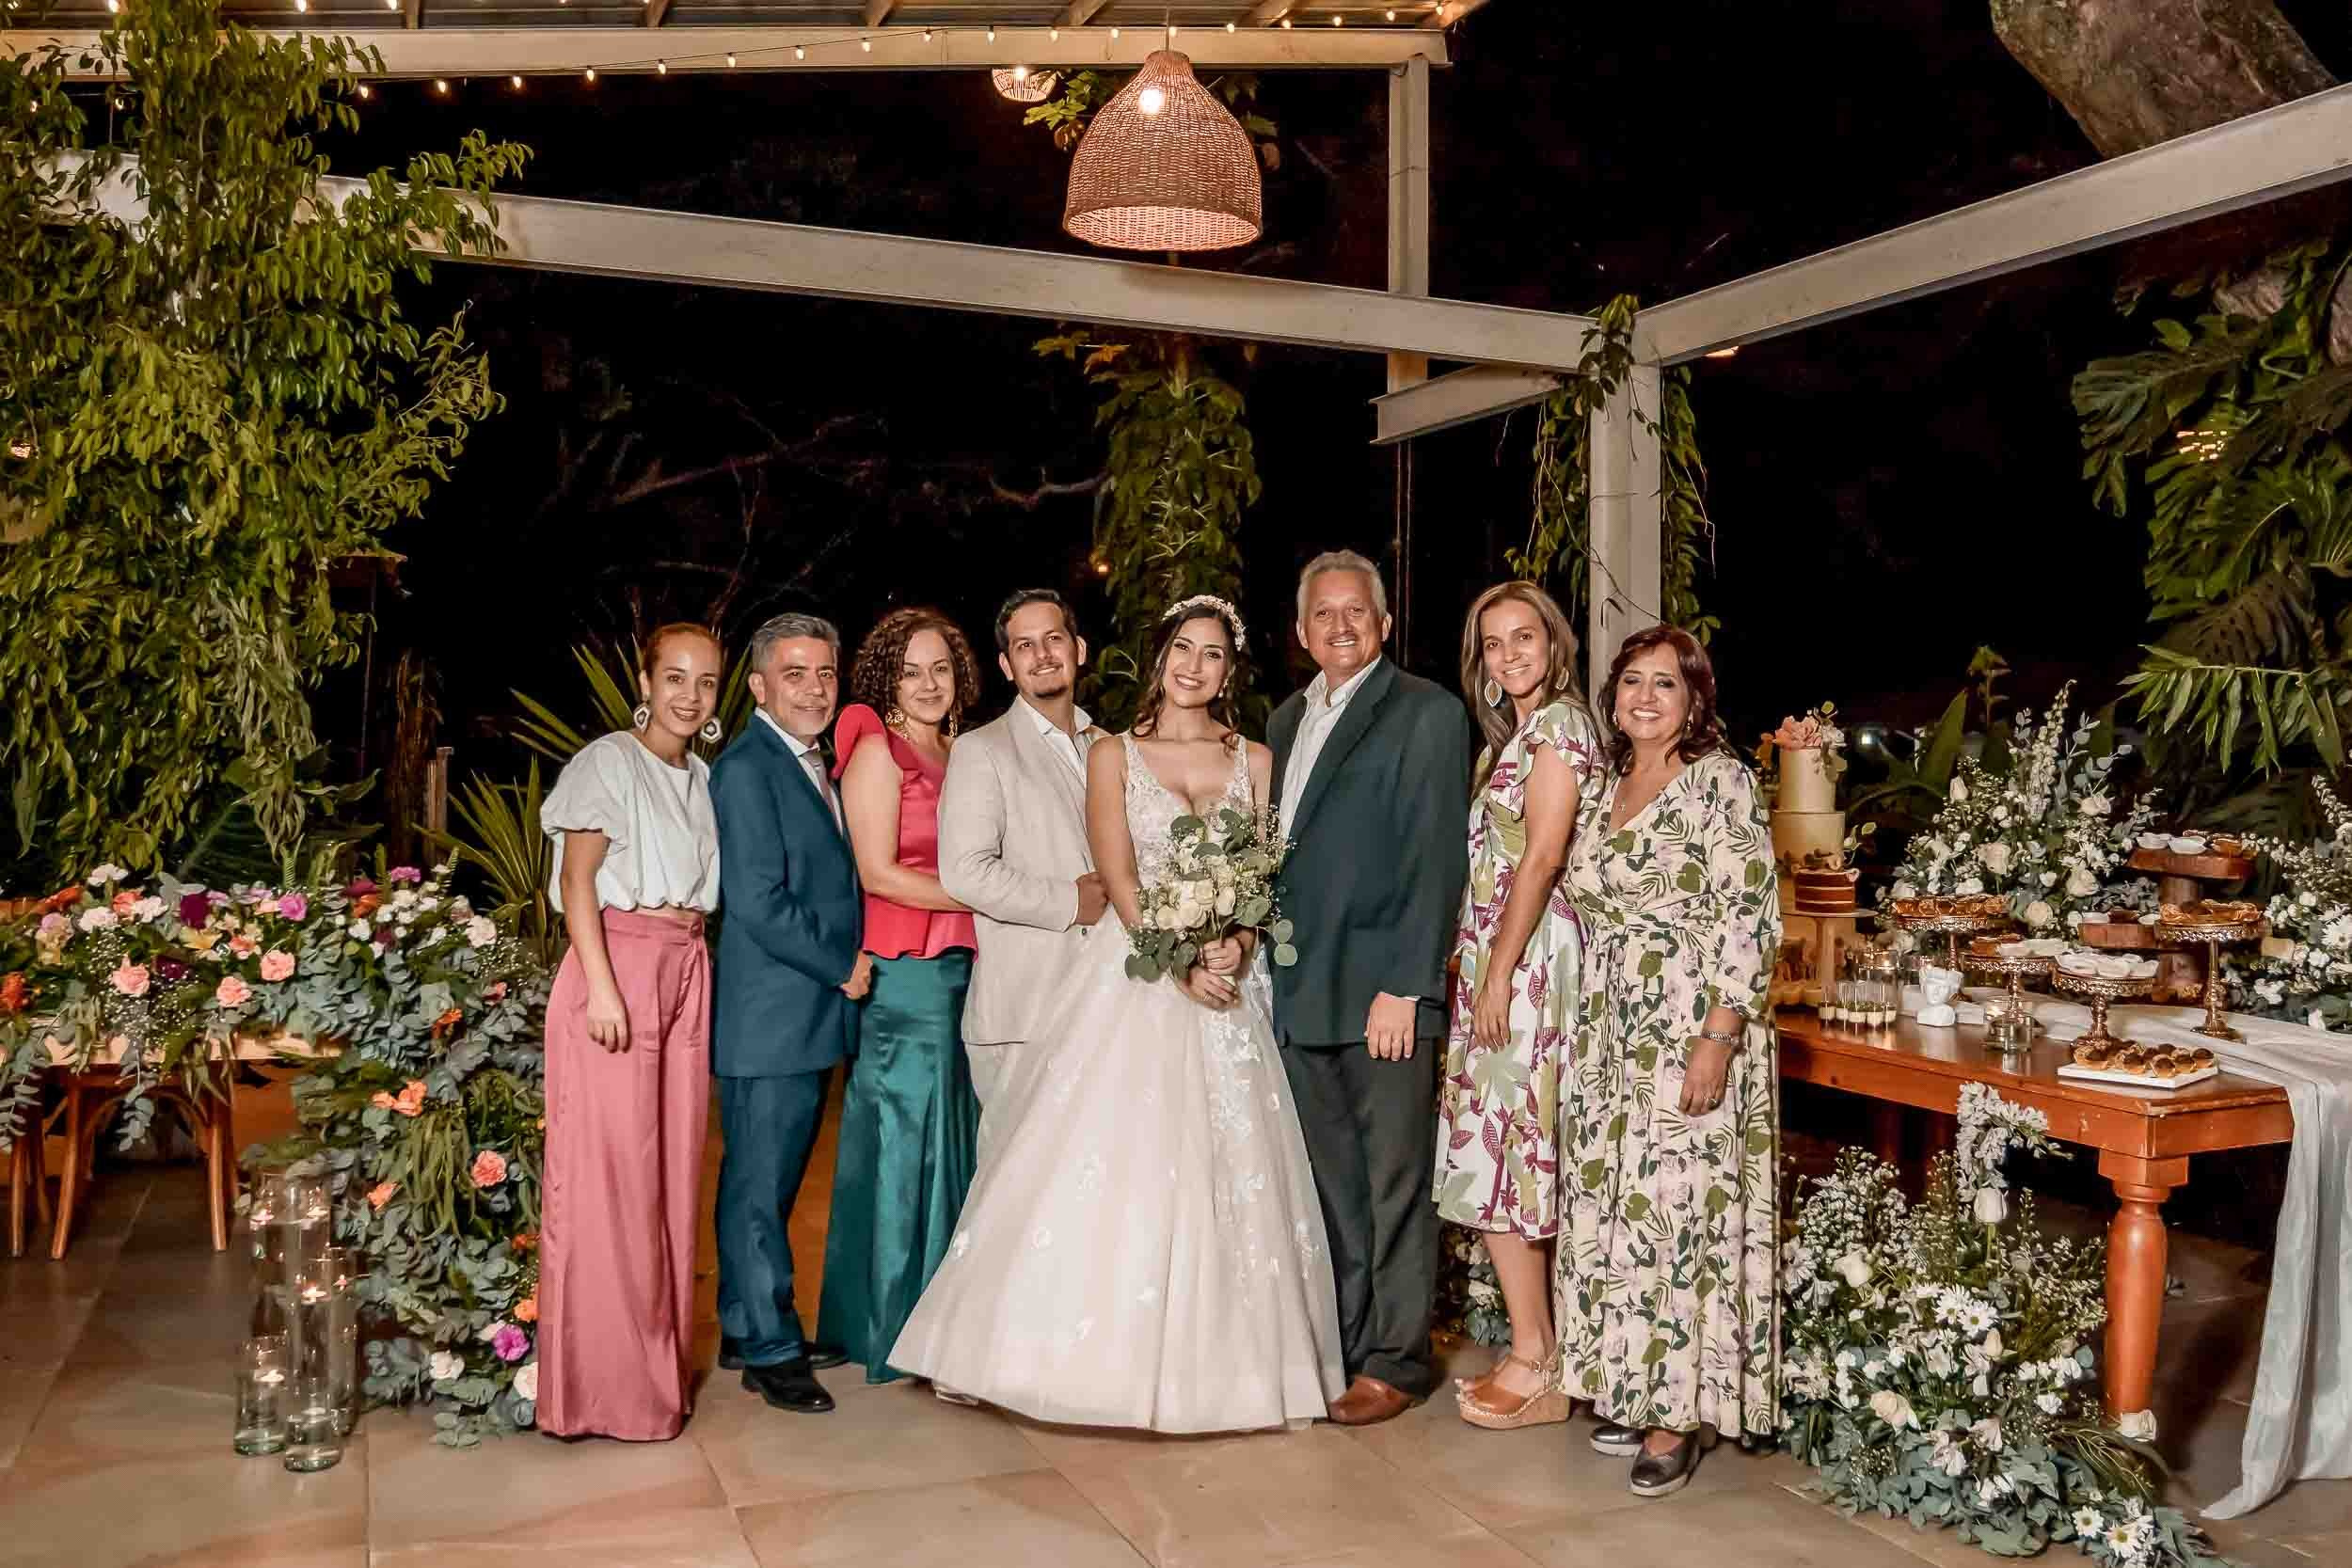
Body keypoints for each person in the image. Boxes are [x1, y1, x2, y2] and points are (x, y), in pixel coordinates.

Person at [888, 596, 1343, 1433]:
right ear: (1158, 654)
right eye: (1182, 648)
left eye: (1212, 654)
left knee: (1225, 1170)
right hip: (1135, 984)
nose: (1193, 666)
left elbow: (1258, 873)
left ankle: (1227, 1370)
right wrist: (1175, 965)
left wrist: (1238, 942)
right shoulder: (1113, 754)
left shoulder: (1255, 757)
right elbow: (1118, 873)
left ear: (1227, 671)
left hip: (1228, 991)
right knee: (1114, 1163)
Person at [1556, 624, 1781, 1497]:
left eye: (1667, 684)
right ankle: (1633, 1378)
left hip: (1690, 1020)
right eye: (1633, 682)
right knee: (1624, 1209)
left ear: (1695, 701)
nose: (1645, 697)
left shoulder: (1720, 783)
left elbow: (1749, 915)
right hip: (1611, 1025)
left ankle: (1675, 1413)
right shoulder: (1608, 782)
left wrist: (1718, 1037)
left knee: (1681, 1212)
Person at [1268, 549, 1472, 1428]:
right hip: (1299, 989)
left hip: (1383, 995)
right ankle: (1346, 1344)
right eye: (1324, 614)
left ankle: (1397, 1357)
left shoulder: (1427, 712)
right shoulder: (1281, 721)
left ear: (1384, 625)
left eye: (1357, 612)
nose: (1341, 626)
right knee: (1331, 1183)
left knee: (1394, 1181)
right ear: (1302, 630)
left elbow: (1437, 857)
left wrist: (1408, 986)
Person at [535, 623, 726, 1441]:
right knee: (611, 1181)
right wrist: (605, 991)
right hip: (618, 965)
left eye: (707, 681)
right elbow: (579, 882)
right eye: (674, 677)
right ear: (644, 682)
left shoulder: (701, 776)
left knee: (671, 1173)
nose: (690, 695)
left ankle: (656, 1373)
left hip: (686, 966)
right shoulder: (609, 761)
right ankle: (602, 1392)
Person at [1438, 582, 1604, 1431]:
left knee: (1503, 1145)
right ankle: (1541, 1349)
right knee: (1509, 1147)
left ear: (1555, 642)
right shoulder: (1514, 737)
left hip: (1529, 962)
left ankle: (1537, 1359)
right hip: (1503, 957)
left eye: (1524, 636)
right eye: (1494, 643)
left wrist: (1498, 971)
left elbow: (1541, 856)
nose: (1510, 654)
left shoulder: (1563, 727)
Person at [816, 607, 983, 1386]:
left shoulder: (962, 750)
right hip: (906, 967)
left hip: (965, 967)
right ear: (886, 677)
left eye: (940, 668)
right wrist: (987, 897)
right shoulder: (874, 746)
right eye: (911, 669)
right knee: (907, 1137)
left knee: (958, 1132)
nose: (927, 682)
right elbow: (876, 870)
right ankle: (890, 1319)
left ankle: (949, 1322)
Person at [708, 612, 869, 1418]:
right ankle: (769, 1348)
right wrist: (844, 963)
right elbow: (760, 902)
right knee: (758, 1186)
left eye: (824, 672)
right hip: (770, 1012)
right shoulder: (747, 767)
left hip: (796, 1015)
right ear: (761, 685)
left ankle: (749, 1322)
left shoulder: (814, 763)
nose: (814, 687)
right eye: (795, 673)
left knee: (764, 1185)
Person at [937, 590, 1110, 1131]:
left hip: (1109, 1010)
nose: (1042, 654)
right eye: (1025, 646)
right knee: (1016, 1194)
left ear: (1079, 649)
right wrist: (1069, 900)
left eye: (1054, 638)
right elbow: (964, 870)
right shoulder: (981, 750)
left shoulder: (1112, 746)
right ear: (1008, 666)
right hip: (1024, 1013)